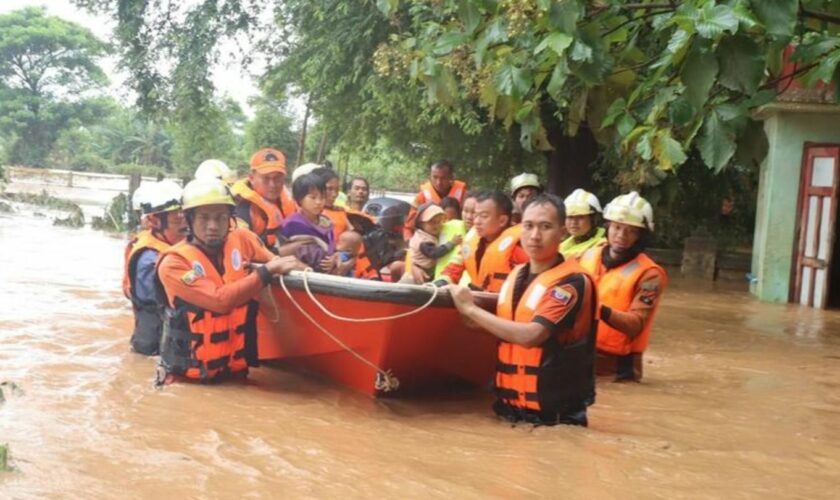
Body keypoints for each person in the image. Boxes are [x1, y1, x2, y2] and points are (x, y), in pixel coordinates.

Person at [448, 194, 597, 426]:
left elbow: (530, 336)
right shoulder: (516, 275)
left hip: (553, 419)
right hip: (508, 409)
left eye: (545, 227)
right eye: (528, 226)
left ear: (562, 232)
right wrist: (467, 314)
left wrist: (470, 309)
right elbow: (498, 326)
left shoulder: (572, 282)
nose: (535, 236)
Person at [156, 178, 303, 383]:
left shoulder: (242, 239)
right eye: (204, 218)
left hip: (235, 374)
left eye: (221, 217)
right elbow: (220, 301)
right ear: (189, 220)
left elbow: (277, 261)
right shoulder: (173, 263)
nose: (213, 226)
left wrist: (304, 270)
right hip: (189, 381)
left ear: (230, 219)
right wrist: (265, 273)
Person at [579, 192, 668, 382]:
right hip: (581, 356)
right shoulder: (586, 256)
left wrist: (596, 308)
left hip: (618, 368)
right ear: (608, 227)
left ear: (640, 236)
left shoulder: (650, 274)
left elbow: (636, 325)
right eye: (617, 227)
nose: (621, 236)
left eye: (631, 231)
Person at [123, 180, 188, 355]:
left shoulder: (170, 247)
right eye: (176, 215)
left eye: (185, 213)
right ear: (154, 220)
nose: (184, 220)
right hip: (153, 348)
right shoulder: (149, 260)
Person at [437, 191, 528, 292]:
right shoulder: (471, 242)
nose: (476, 221)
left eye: (483, 216)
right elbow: (453, 269)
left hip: (502, 303)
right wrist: (441, 283)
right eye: (476, 215)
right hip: (477, 299)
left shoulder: (518, 248)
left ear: (502, 220)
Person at [278, 173, 349, 275]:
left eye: (322, 197)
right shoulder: (293, 224)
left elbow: (331, 249)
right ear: (299, 199)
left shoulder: (326, 223)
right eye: (313, 197)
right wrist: (327, 262)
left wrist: (334, 258)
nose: (319, 202)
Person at [231, 148, 297, 249]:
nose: (273, 184)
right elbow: (243, 252)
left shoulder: (286, 200)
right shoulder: (242, 209)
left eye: (277, 178)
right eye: (266, 178)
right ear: (252, 178)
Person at [404, 160, 468, 239]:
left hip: (457, 240)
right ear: (430, 176)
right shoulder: (421, 197)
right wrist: (410, 245)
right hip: (429, 245)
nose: (439, 182)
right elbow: (408, 228)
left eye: (443, 178)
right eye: (435, 177)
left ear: (451, 177)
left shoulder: (464, 195)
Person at [402, 203, 463, 284]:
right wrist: (451, 243)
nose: (436, 225)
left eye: (439, 222)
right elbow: (435, 253)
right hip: (421, 273)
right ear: (420, 223)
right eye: (432, 222)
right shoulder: (423, 240)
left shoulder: (429, 233)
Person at [560, 188, 606, 258]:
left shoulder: (603, 245)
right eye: (570, 217)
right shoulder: (562, 246)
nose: (573, 222)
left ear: (593, 219)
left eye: (580, 217)